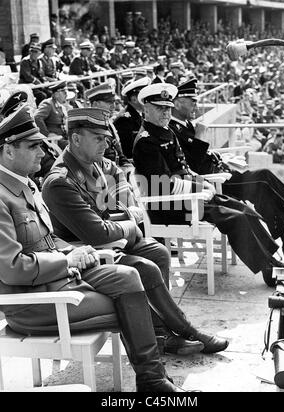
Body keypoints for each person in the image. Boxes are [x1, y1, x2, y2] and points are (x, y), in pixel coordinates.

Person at [0, 103, 187, 392]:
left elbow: (47, 241)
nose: (43, 152)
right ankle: (154, 378)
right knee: (131, 299)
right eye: (34, 146)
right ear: (8, 150)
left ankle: (154, 375)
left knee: (129, 277)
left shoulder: (25, 186)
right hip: (32, 302)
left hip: (58, 279)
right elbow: (13, 269)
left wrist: (84, 253)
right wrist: (68, 260)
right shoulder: (4, 197)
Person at [42, 107, 229, 357]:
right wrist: (130, 221)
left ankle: (161, 333)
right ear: (76, 139)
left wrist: (125, 209)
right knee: (146, 266)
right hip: (87, 251)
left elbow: (118, 180)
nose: (106, 144)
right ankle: (184, 330)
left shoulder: (97, 164)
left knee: (159, 252)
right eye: (98, 138)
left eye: (106, 138)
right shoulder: (61, 181)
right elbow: (96, 233)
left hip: (113, 239)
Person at [132, 82, 284, 288]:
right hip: (169, 206)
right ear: (146, 109)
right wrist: (200, 188)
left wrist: (204, 182)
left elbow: (184, 169)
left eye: (168, 108)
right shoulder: (147, 141)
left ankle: (270, 260)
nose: (165, 112)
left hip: (187, 198)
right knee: (237, 218)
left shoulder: (165, 132)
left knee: (243, 208)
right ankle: (268, 269)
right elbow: (164, 184)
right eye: (159, 108)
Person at [169, 78, 284, 260]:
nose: (196, 105)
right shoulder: (173, 130)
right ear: (177, 102)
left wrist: (222, 158)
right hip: (213, 182)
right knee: (264, 177)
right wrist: (199, 137)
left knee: (263, 192)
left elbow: (203, 156)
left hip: (221, 172)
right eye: (193, 101)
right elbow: (191, 167)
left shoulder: (186, 124)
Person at [85, 82, 133, 175]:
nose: (113, 106)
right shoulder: (89, 128)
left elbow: (120, 155)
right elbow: (96, 165)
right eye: (108, 102)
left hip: (117, 172)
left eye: (114, 102)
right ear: (95, 104)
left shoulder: (108, 123)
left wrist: (129, 167)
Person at [113, 76, 151, 158]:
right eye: (144, 98)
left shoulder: (141, 114)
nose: (148, 101)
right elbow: (128, 150)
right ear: (134, 99)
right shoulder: (124, 119)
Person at [34, 80, 69, 150]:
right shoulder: (48, 104)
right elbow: (37, 117)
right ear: (56, 94)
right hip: (54, 140)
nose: (66, 95)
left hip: (62, 137)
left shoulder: (60, 106)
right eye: (64, 92)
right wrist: (47, 134)